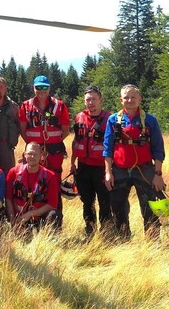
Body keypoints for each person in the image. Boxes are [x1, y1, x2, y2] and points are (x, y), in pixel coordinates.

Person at [103, 84, 166, 240]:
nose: (129, 100)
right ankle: (123, 240)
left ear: (139, 99)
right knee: (118, 208)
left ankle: (153, 243)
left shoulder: (150, 120)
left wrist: (158, 174)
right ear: (120, 100)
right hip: (119, 170)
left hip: (144, 170)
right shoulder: (113, 120)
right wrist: (108, 172)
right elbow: (107, 148)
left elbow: (158, 149)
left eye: (133, 97)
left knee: (149, 207)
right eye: (126, 97)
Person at [19, 75, 70, 228]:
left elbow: (65, 131)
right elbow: (23, 131)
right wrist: (35, 147)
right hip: (34, 153)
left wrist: (51, 143)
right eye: (38, 87)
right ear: (33, 88)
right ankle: (31, 223)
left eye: (44, 87)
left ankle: (55, 225)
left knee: (54, 186)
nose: (41, 91)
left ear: (49, 88)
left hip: (53, 154)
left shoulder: (59, 106)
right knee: (33, 186)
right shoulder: (25, 106)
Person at [70, 85, 113, 237]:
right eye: (88, 100)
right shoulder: (79, 117)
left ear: (100, 100)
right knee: (87, 202)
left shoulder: (110, 119)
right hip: (83, 167)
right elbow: (76, 141)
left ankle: (107, 234)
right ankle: (90, 231)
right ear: (84, 101)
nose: (91, 103)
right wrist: (72, 163)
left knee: (105, 202)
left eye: (94, 99)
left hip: (102, 168)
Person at [6, 142, 59, 231]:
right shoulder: (13, 172)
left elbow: (52, 205)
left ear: (41, 155)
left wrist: (30, 214)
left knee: (54, 214)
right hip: (17, 217)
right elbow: (8, 199)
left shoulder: (50, 176)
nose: (32, 157)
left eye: (35, 154)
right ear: (24, 155)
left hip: (39, 217)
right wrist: (13, 221)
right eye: (30, 154)